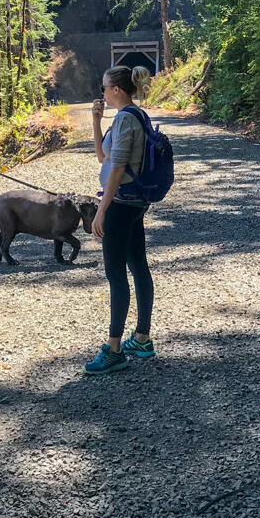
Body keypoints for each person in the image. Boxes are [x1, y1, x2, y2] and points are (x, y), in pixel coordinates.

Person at [84, 64, 156, 375]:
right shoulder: (131, 116)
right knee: (138, 265)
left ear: (116, 90)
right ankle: (141, 337)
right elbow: (103, 156)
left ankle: (114, 350)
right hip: (132, 203)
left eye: (104, 88)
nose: (101, 93)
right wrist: (96, 121)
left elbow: (117, 168)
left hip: (121, 204)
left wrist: (102, 209)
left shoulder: (127, 119)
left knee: (116, 275)